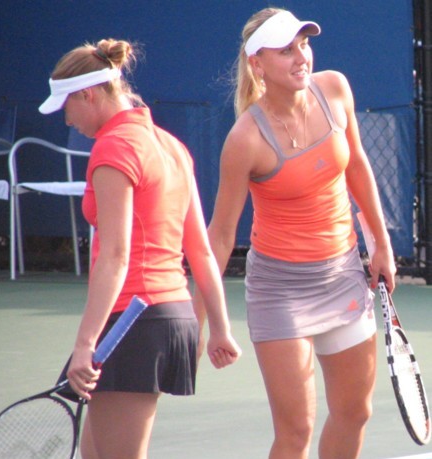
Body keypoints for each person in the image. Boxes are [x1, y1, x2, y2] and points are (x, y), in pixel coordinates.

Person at [193, 8, 396, 459]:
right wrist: (198, 321)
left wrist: (380, 243)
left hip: (343, 273)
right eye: (285, 50)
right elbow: (221, 235)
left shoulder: (335, 88)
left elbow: (358, 166)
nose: (301, 56)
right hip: (280, 291)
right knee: (295, 433)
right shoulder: (245, 139)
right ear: (257, 64)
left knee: (354, 413)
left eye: (303, 44)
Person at [38, 38, 241, 459]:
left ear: (87, 95)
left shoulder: (113, 148)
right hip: (165, 316)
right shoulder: (170, 146)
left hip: (134, 322)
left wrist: (85, 343)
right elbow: (200, 250)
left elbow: (115, 255)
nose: (67, 120)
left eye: (66, 108)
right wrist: (219, 326)